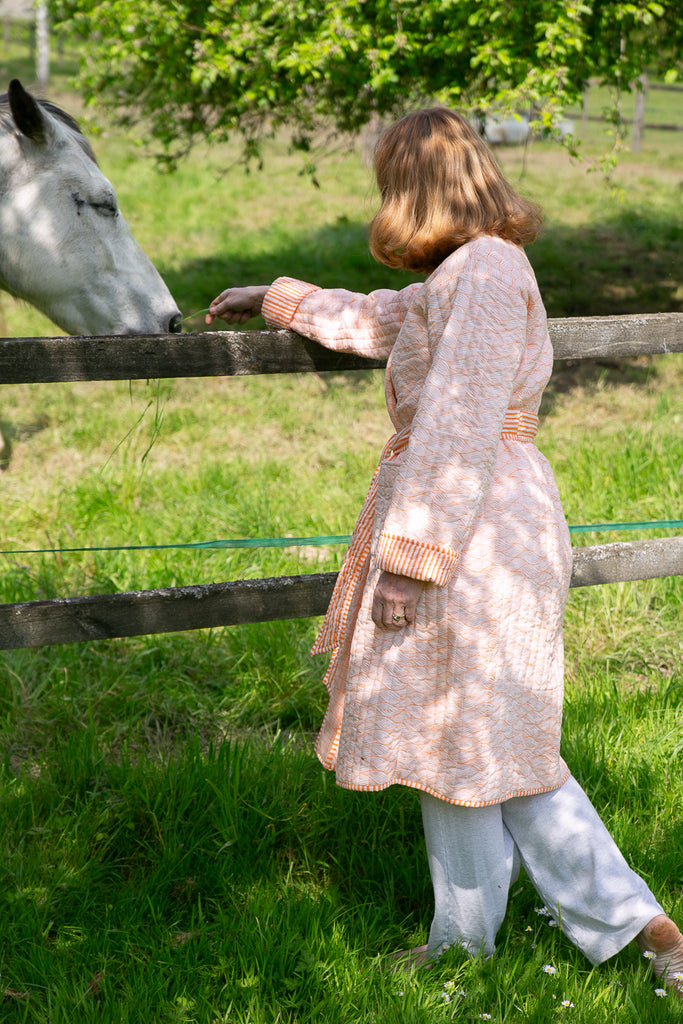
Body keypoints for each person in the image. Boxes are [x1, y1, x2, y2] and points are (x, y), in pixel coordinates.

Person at [205, 108, 683, 994]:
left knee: (490, 740)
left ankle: (636, 930)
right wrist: (279, 299)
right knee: (456, 737)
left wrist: (408, 557)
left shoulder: (488, 271)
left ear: (412, 186)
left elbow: (459, 419)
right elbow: (387, 319)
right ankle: (476, 940)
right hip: (473, 515)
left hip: (475, 526)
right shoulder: (463, 274)